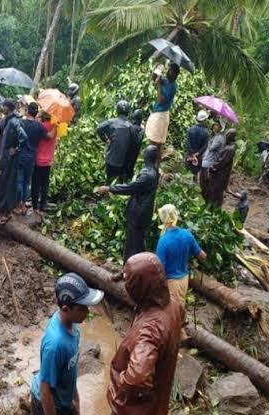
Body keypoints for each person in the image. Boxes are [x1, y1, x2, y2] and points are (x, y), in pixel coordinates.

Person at [107, 253, 184, 415]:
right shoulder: (173, 305)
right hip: (158, 397)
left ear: (139, 288)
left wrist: (119, 381)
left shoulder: (149, 330)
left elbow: (137, 378)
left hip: (135, 409)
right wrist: (126, 272)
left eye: (129, 283)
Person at [31, 273, 104, 415]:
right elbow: (45, 391)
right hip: (47, 404)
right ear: (66, 309)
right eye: (82, 308)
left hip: (63, 397)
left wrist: (75, 398)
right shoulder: (55, 345)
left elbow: (71, 369)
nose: (87, 311)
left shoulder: (72, 324)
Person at [97, 146, 160, 263]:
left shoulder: (147, 175)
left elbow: (130, 187)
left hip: (138, 213)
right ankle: (138, 267)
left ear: (145, 156)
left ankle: (130, 268)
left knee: (133, 243)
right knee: (138, 241)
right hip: (144, 212)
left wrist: (109, 188)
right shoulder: (155, 172)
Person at [155, 204, 207, 306]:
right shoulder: (187, 234)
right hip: (184, 279)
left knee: (173, 311)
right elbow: (202, 256)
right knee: (180, 306)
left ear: (162, 219)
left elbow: (160, 269)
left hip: (171, 282)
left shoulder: (163, 241)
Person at [0, 99, 27, 222]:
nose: (2, 108)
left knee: (8, 184)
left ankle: (6, 211)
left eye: (4, 106)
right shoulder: (5, 120)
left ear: (8, 108)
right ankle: (1, 209)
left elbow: (23, 137)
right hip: (3, 157)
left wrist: (16, 149)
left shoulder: (15, 122)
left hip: (10, 159)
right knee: (2, 182)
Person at [17, 102, 48, 215]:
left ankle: (19, 205)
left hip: (20, 155)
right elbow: (48, 136)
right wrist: (55, 125)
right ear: (36, 113)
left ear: (27, 111)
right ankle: (24, 204)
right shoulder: (39, 127)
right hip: (31, 158)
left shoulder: (21, 123)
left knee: (19, 181)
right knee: (26, 182)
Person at [145, 63, 180, 162]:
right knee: (156, 142)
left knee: (155, 142)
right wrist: (157, 69)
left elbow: (161, 100)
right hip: (157, 113)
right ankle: (155, 166)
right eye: (168, 70)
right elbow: (153, 78)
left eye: (171, 71)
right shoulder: (166, 80)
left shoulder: (172, 87)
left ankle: (152, 164)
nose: (169, 72)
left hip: (162, 115)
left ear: (176, 75)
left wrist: (159, 85)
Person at [97, 100, 133, 184]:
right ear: (128, 112)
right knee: (120, 183)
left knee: (109, 181)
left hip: (110, 160)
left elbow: (99, 128)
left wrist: (106, 140)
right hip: (123, 162)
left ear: (117, 110)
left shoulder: (111, 122)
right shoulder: (130, 126)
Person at [32, 111, 57, 216]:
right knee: (45, 184)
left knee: (35, 184)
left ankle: (34, 206)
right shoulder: (55, 127)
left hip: (37, 159)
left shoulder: (39, 126)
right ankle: (42, 206)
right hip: (48, 161)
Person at [205, 129, 237, 207]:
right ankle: (213, 208)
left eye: (228, 135)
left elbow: (221, 162)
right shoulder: (228, 146)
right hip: (220, 174)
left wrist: (212, 168)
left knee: (217, 193)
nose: (226, 136)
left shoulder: (229, 149)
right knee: (215, 192)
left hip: (221, 175)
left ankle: (215, 210)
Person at [200, 120, 224, 201]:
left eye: (217, 125)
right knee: (203, 184)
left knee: (206, 185)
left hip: (209, 163)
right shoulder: (215, 136)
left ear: (221, 128)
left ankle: (208, 201)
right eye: (215, 125)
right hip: (206, 162)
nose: (215, 126)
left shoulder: (219, 138)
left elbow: (211, 148)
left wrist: (208, 142)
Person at [185, 110, 209, 180]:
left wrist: (192, 154)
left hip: (189, 155)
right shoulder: (206, 133)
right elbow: (205, 147)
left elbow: (188, 143)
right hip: (198, 157)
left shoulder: (190, 130)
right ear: (205, 120)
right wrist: (196, 154)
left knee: (187, 174)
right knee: (195, 173)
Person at [125, 109, 144, 180]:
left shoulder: (130, 127)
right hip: (135, 152)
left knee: (125, 169)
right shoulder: (142, 130)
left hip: (128, 152)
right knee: (131, 167)